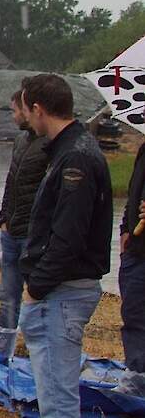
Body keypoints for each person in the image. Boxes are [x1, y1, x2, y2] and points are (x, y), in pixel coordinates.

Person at [17, 74, 112, 417]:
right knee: (55, 395)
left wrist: (36, 288)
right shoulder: (71, 150)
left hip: (62, 293)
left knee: (58, 401)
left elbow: (68, 235)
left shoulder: (76, 159)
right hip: (62, 291)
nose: (25, 117)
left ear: (39, 109)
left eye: (26, 109)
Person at [0, 89, 49, 357]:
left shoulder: (49, 146)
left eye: (16, 110)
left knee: (36, 294)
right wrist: (3, 218)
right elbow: (10, 182)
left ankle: (37, 350)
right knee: (7, 296)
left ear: (30, 110)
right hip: (11, 231)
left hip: (31, 234)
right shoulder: (20, 141)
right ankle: (4, 352)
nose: (14, 116)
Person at [117, 164, 145, 397]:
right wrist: (125, 228)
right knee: (133, 313)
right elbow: (133, 196)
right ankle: (136, 374)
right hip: (136, 251)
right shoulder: (143, 150)